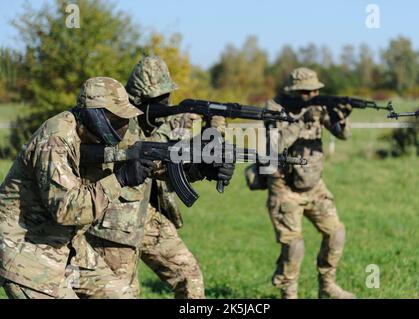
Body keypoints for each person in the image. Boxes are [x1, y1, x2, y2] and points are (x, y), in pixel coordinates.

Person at [83, 56, 234, 298]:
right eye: (157, 101)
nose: (165, 104)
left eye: (167, 98)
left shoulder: (175, 119)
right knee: (122, 293)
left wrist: (213, 141)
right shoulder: (115, 123)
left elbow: (176, 160)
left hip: (150, 216)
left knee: (189, 276)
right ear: (137, 101)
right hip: (114, 223)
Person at [0, 77, 150, 299]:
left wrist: (196, 167)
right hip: (27, 252)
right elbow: (66, 209)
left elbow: (146, 158)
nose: (123, 127)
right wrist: (119, 179)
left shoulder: (97, 135)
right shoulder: (55, 139)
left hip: (69, 247)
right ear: (95, 115)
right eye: (117, 119)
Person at [263, 67, 355, 299]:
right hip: (284, 186)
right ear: (293, 92)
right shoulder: (274, 109)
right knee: (294, 246)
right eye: (306, 92)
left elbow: (343, 135)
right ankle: (289, 294)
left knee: (336, 233)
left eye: (315, 91)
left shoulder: (317, 105)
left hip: (314, 185)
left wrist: (341, 118)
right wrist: (301, 120)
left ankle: (327, 286)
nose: (312, 95)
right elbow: (274, 147)